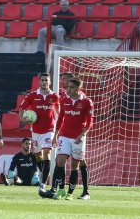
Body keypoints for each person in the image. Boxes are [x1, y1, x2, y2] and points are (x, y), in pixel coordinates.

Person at [42, 72, 91, 200]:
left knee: (76, 165)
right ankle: (61, 190)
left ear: (78, 88)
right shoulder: (64, 99)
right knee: (60, 161)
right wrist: (55, 136)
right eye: (68, 86)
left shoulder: (86, 102)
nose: (68, 89)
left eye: (71, 87)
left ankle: (71, 193)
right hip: (64, 135)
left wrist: (83, 134)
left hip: (77, 138)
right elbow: (60, 118)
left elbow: (90, 121)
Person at [19, 73, 59, 193]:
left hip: (49, 130)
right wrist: (22, 118)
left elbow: (60, 112)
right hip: (36, 131)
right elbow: (22, 108)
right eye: (42, 80)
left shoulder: (54, 97)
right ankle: (43, 173)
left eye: (47, 80)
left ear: (50, 82)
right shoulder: (33, 95)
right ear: (39, 82)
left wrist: (58, 127)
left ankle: (43, 184)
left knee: (47, 154)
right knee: (38, 156)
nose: (44, 82)